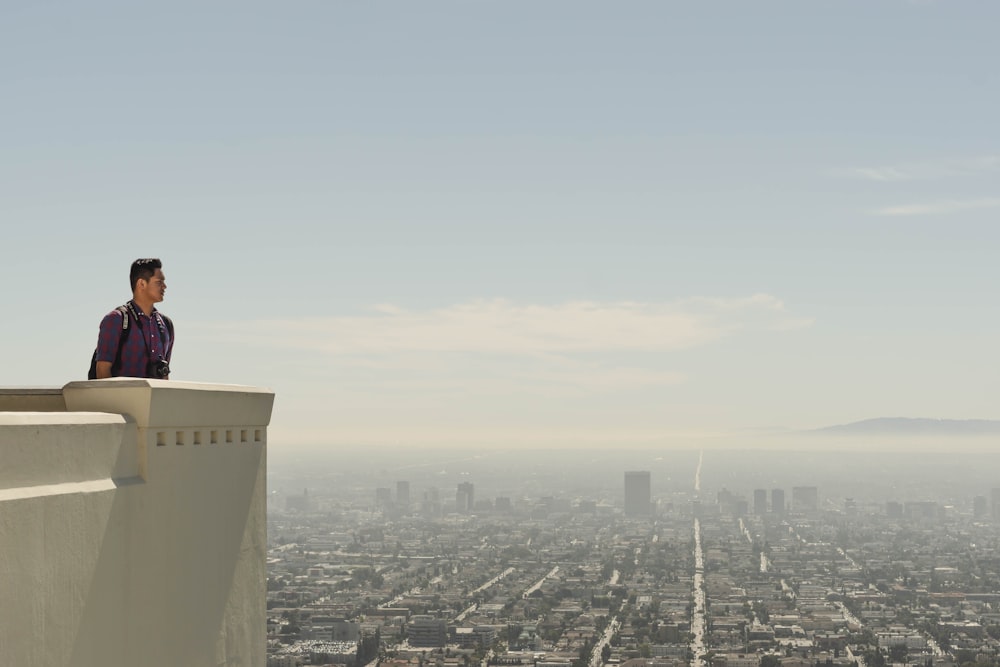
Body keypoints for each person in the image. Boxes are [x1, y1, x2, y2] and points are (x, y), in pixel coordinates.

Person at [93, 258, 174, 379]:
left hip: (154, 397)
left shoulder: (166, 324)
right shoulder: (116, 320)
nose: (165, 286)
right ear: (141, 284)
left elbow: (164, 374)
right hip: (120, 397)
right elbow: (102, 371)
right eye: (159, 282)